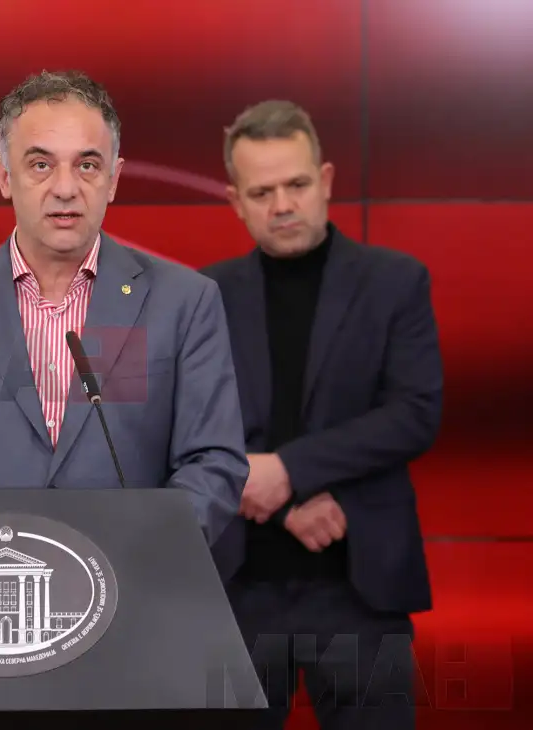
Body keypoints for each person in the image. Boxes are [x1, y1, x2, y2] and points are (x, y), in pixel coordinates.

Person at [0, 70, 248, 549]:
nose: (65, 188)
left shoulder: (184, 302)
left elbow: (213, 464)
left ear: (114, 179)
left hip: (135, 581)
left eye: (87, 165)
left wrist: (142, 555)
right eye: (40, 165)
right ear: (4, 176)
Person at [200, 100, 443, 729]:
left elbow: (414, 412)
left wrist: (288, 470)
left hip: (361, 585)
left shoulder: (396, 282)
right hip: (236, 587)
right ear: (236, 201)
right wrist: (282, 504)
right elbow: (183, 429)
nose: (282, 204)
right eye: (262, 192)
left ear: (326, 180)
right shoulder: (202, 297)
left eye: (297, 184)